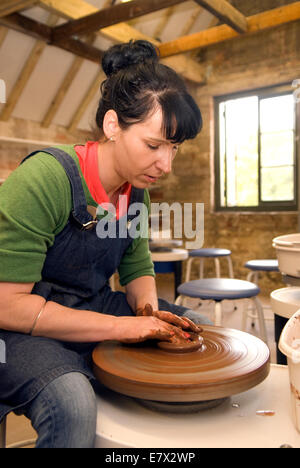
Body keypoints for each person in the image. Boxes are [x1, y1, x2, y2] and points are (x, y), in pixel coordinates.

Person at [0, 40, 210, 448]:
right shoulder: (46, 178)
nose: (165, 165)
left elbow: (136, 268)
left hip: (89, 306)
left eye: (174, 148)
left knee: (191, 328)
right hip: (16, 331)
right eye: (154, 145)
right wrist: (125, 327)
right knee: (73, 405)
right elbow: (7, 304)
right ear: (113, 125)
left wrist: (150, 317)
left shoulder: (136, 193)